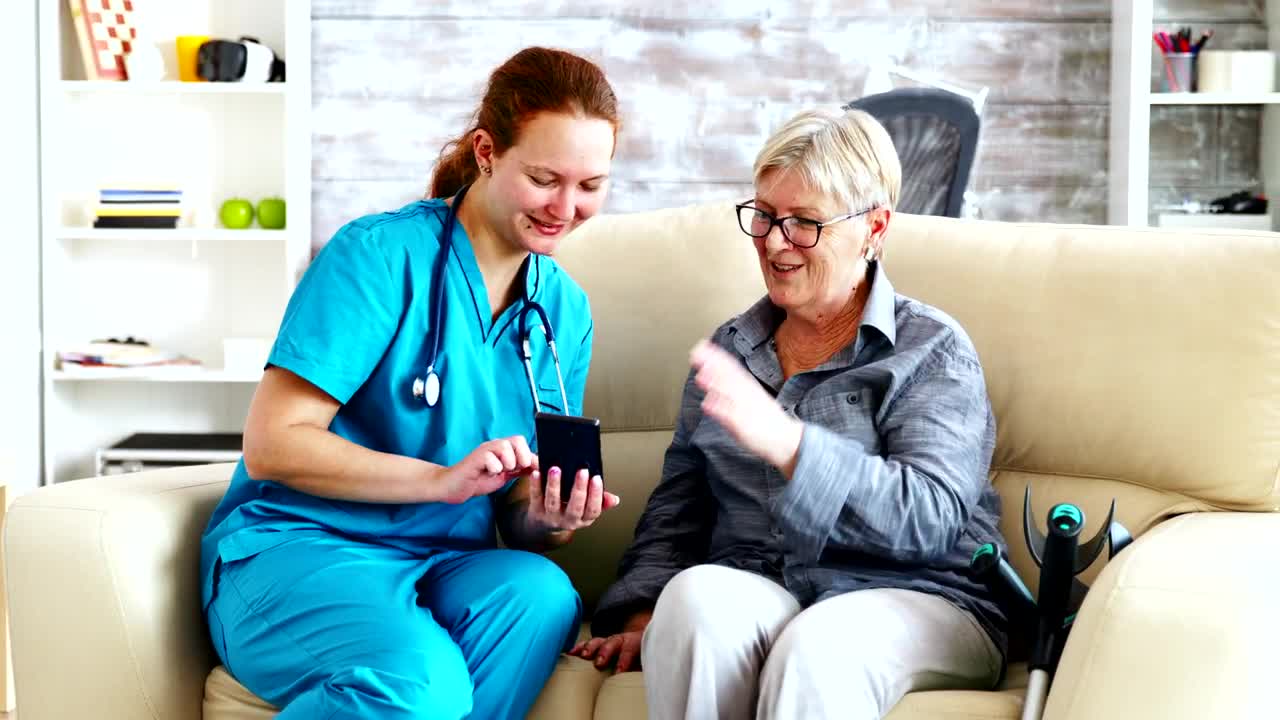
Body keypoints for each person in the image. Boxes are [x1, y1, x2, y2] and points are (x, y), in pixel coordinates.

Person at [200, 47, 622, 720]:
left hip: (441, 561)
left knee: (541, 593)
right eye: (545, 178)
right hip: (302, 549)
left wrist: (545, 516)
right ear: (487, 151)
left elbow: (518, 510)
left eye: (591, 185)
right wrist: (439, 481)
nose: (565, 208)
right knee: (423, 685)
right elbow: (273, 444)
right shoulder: (377, 257)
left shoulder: (562, 313)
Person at [571, 107, 1008, 719]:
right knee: (693, 599)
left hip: (917, 595)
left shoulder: (931, 350)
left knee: (819, 646)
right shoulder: (733, 350)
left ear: (874, 228)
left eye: (804, 223)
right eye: (766, 216)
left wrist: (793, 445)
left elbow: (928, 518)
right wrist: (647, 613)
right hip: (765, 583)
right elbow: (680, 507)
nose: (775, 243)